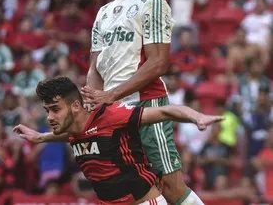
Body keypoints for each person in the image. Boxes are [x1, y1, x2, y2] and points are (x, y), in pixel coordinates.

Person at [81, 0, 206, 204]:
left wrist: (111, 95)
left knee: (170, 186)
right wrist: (95, 100)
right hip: (113, 110)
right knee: (137, 189)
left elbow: (159, 62)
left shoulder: (152, 1)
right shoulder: (103, 12)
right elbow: (95, 65)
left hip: (145, 101)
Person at [13, 76, 223, 205]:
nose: (49, 117)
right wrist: (40, 137)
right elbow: (72, 135)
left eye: (55, 110)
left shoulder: (111, 116)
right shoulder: (72, 130)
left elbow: (164, 111)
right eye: (47, 111)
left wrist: (197, 117)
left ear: (76, 106)